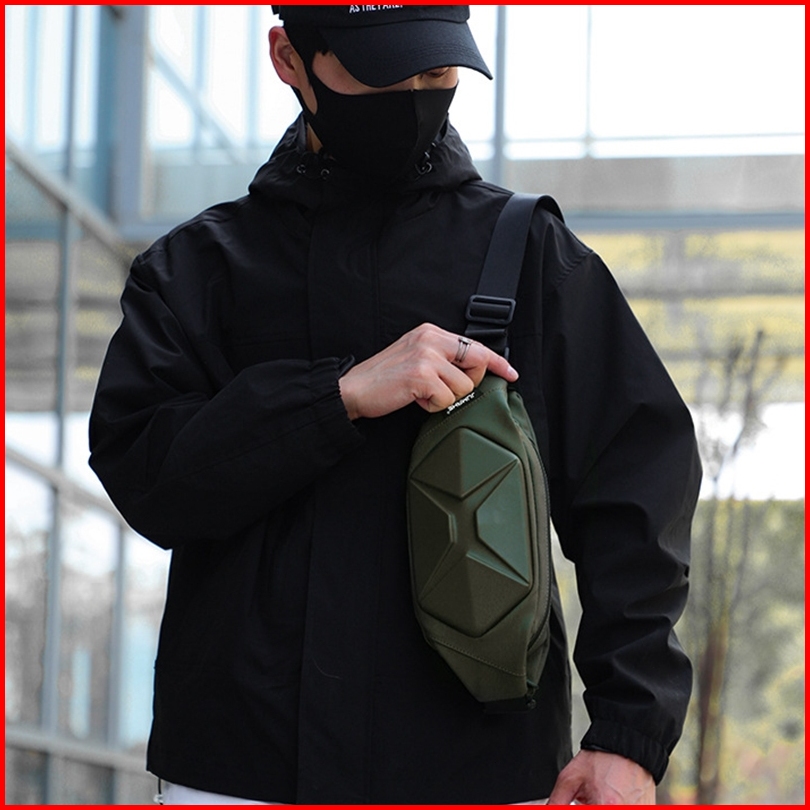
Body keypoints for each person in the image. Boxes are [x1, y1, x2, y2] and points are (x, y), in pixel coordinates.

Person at [89, 5, 702, 805]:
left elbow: (636, 490)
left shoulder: (529, 255)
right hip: (239, 773)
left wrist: (629, 734)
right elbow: (148, 478)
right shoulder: (196, 270)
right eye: (380, 72)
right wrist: (335, 397)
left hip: (483, 775)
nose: (414, 95)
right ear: (289, 59)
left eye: (436, 71)